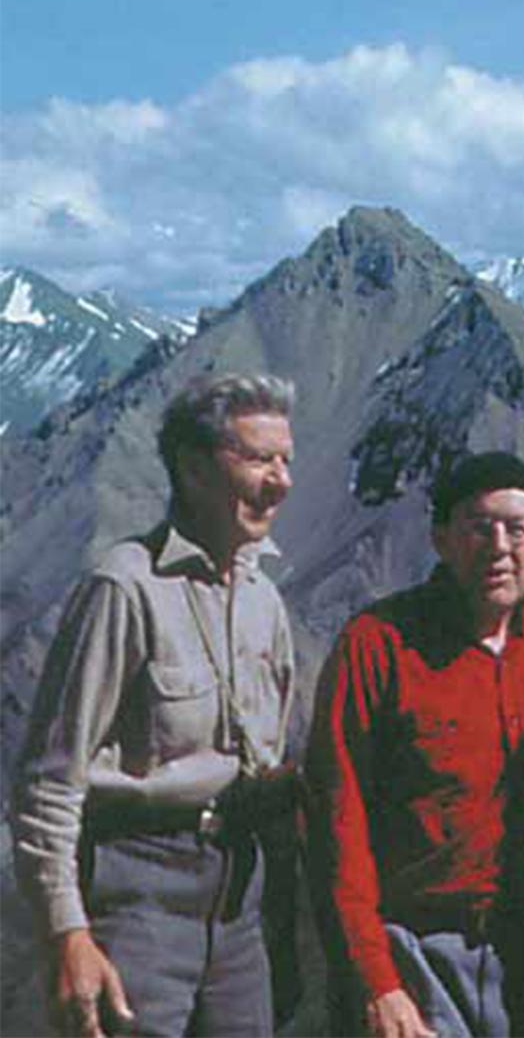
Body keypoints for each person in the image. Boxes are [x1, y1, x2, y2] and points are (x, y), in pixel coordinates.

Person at [13, 373, 297, 1037]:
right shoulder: (124, 587)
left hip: (238, 906)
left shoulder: (264, 600)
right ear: (195, 468)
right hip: (134, 894)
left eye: (286, 460)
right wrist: (67, 932)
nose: (281, 482)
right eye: (259, 459)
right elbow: (48, 779)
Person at [306, 452, 524, 1038]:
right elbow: (336, 822)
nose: (498, 546)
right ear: (441, 539)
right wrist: (377, 982)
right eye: (477, 526)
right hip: (415, 952)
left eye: (516, 529)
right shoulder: (377, 646)